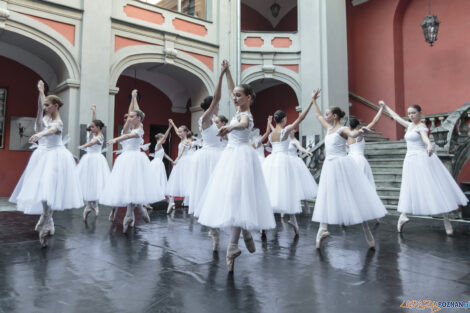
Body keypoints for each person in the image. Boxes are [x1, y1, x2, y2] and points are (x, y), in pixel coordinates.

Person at [197, 79, 275, 272]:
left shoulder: (246, 114)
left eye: (239, 95)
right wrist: (227, 72)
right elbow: (233, 90)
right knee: (230, 196)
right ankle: (245, 233)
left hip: (241, 157)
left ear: (248, 97)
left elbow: (244, 123)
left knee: (238, 196)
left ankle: (233, 245)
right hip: (230, 156)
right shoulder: (239, 110)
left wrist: (230, 128)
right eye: (234, 96)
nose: (234, 97)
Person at [311, 90, 387, 249]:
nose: (325, 116)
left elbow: (352, 132)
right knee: (327, 194)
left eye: (327, 114)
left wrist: (361, 131)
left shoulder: (342, 130)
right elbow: (318, 116)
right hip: (330, 165)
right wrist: (313, 100)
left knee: (355, 196)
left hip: (342, 165)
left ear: (335, 116)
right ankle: (322, 229)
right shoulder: (328, 129)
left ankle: (366, 230)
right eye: (325, 114)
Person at [383, 102, 468, 235]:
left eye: (413, 113)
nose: (411, 115)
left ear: (419, 113)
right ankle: (403, 215)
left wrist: (429, 145)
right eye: (409, 113)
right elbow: (396, 117)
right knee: (409, 187)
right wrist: (385, 107)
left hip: (422, 158)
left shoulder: (421, 126)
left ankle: (446, 220)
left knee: (435, 188)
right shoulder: (410, 125)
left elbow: (425, 138)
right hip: (410, 160)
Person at [15, 85, 83, 247]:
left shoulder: (58, 122)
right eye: (44, 104)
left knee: (49, 188)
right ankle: (47, 218)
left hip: (55, 157)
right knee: (42, 188)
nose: (44, 107)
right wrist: (40, 91)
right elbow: (40, 114)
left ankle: (46, 219)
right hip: (42, 155)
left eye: (47, 105)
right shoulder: (43, 118)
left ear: (55, 106)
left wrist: (39, 134)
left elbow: (52, 131)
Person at [100, 89, 162, 233]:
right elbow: (132, 113)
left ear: (138, 118)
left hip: (135, 159)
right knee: (125, 186)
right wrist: (133, 98)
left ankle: (133, 212)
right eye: (129, 116)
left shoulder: (139, 130)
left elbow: (128, 136)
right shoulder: (129, 125)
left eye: (132, 116)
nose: (129, 117)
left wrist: (116, 139)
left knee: (134, 186)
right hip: (125, 159)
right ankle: (136, 209)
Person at [188, 60, 229, 251]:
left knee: (221, 191)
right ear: (209, 107)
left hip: (220, 156)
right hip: (209, 158)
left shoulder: (216, 123)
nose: (218, 107)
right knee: (210, 190)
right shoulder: (204, 119)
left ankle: (217, 226)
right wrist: (220, 75)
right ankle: (213, 228)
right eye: (214, 105)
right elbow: (217, 99)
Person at [262, 95, 318, 236]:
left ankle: (265, 223)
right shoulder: (285, 130)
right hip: (283, 161)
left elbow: (271, 132)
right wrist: (311, 102)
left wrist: (269, 123)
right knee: (287, 189)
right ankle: (293, 220)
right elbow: (300, 119)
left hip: (271, 161)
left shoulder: (272, 133)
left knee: (272, 190)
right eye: (286, 119)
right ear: (283, 119)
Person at [77, 105, 110, 221]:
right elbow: (94, 121)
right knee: (87, 180)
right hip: (88, 159)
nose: (91, 128)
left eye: (93, 127)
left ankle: (94, 204)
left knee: (95, 180)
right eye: (91, 127)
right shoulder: (94, 132)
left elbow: (93, 143)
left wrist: (83, 146)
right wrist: (94, 111)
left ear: (98, 128)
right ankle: (88, 204)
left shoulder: (100, 136)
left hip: (96, 159)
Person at [347, 102, 385, 189]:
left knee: (352, 184)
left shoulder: (347, 135)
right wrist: (381, 109)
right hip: (359, 160)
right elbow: (374, 121)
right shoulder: (360, 133)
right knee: (363, 185)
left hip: (349, 160)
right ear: (358, 125)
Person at [165, 120, 193, 213]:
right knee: (175, 181)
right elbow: (177, 130)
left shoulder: (187, 141)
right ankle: (172, 201)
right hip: (181, 162)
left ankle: (188, 201)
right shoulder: (182, 138)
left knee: (186, 181)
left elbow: (181, 153)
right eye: (179, 132)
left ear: (185, 132)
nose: (179, 133)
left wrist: (176, 159)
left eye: (181, 132)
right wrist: (173, 123)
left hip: (184, 161)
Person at [287, 131, 318, 201]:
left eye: (290, 131)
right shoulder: (286, 140)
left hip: (294, 161)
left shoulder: (295, 141)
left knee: (297, 181)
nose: (289, 132)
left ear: (293, 132)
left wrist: (306, 152)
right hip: (287, 161)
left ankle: (303, 203)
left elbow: (300, 148)